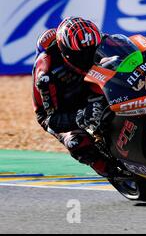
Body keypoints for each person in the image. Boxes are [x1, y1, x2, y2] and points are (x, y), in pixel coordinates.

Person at [32, 17, 114, 177]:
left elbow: (119, 47)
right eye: (84, 55)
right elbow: (51, 120)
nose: (90, 57)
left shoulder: (93, 39)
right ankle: (111, 171)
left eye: (94, 49)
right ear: (66, 53)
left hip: (87, 84)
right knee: (76, 142)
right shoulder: (47, 74)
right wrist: (81, 116)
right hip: (61, 106)